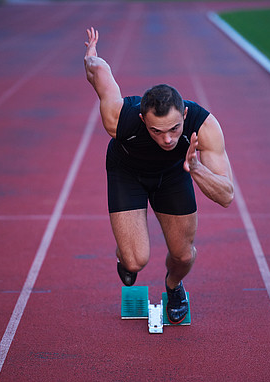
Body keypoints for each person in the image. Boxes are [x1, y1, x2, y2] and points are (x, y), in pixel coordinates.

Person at [84, 27, 234, 324]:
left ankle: (174, 286)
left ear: (184, 116)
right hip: (127, 172)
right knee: (134, 260)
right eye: (157, 131)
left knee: (183, 256)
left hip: (175, 174)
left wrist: (197, 168)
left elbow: (226, 196)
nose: (167, 140)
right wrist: (91, 55)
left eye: (174, 130)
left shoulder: (203, 126)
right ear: (142, 119)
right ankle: (124, 255)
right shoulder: (120, 117)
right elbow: (99, 72)